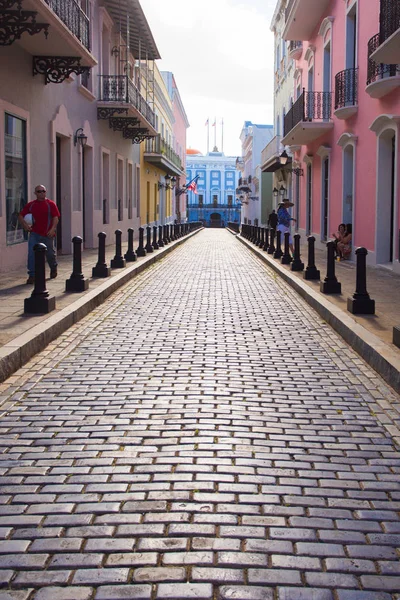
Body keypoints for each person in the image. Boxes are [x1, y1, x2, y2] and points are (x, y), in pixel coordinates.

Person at [18, 185, 60, 284]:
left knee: (50, 253)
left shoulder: (51, 204)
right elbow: (20, 215)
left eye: (43, 191)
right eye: (39, 191)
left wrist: (52, 229)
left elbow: (55, 217)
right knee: (32, 254)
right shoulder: (31, 205)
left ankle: (53, 267)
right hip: (35, 234)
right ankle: (32, 275)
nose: (41, 193)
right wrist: (25, 225)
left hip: (47, 234)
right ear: (35, 193)